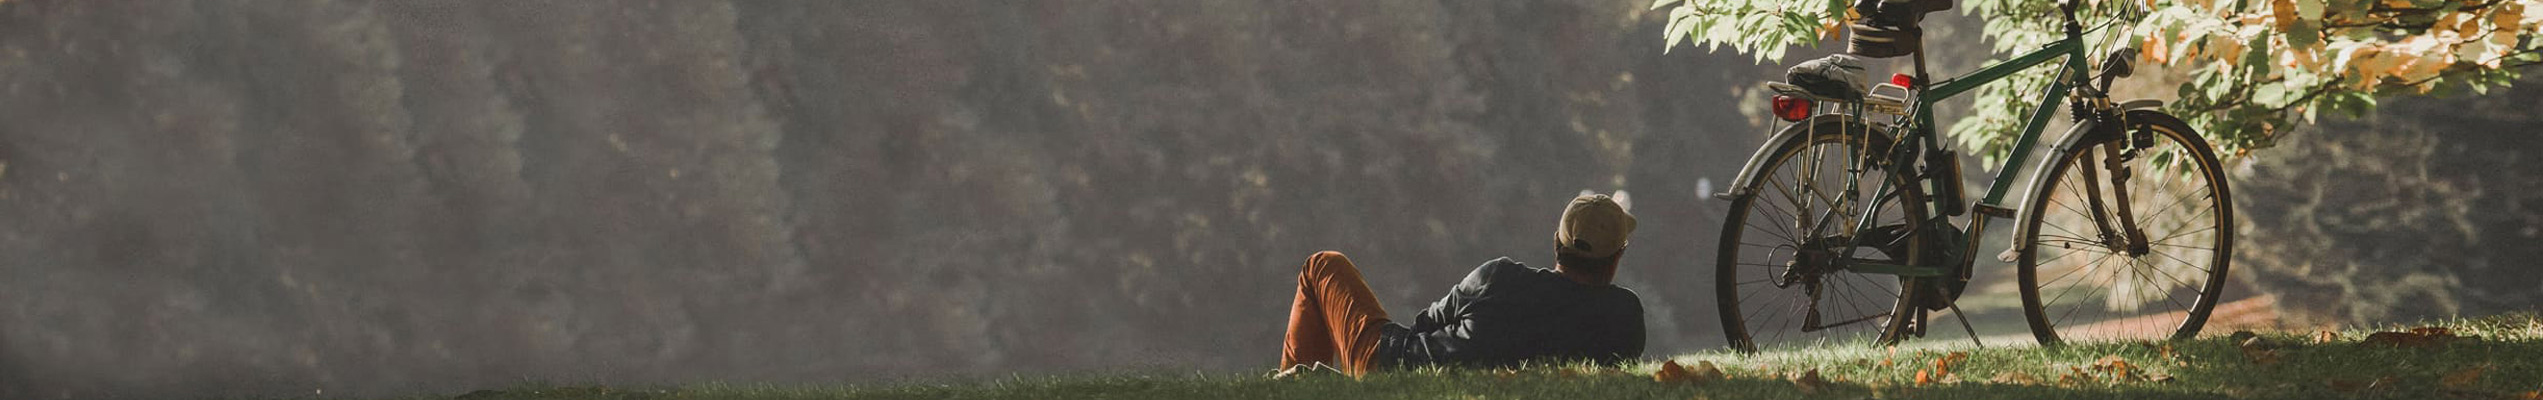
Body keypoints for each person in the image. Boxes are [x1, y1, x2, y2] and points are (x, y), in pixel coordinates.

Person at [1274, 191, 1644, 378]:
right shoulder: (1625, 317)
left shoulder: (1498, 277)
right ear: (1616, 258)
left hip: (1392, 364)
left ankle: (1293, 386)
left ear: (1556, 244)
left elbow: (1423, 325)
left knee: (1322, 266)